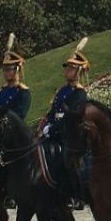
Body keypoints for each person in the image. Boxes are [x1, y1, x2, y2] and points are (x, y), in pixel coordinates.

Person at [42, 39, 90, 206]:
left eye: (71, 68)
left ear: (78, 72)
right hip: (54, 130)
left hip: (70, 134)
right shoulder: (61, 90)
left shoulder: (79, 93)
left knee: (67, 158)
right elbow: (52, 111)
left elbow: (71, 118)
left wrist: (53, 128)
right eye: (67, 68)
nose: (67, 71)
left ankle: (76, 194)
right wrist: (47, 125)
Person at [0, 37, 31, 164]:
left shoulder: (23, 92)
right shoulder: (2, 92)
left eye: (9, 69)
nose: (5, 73)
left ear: (17, 70)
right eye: (4, 69)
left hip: (14, 134)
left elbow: (20, 115)